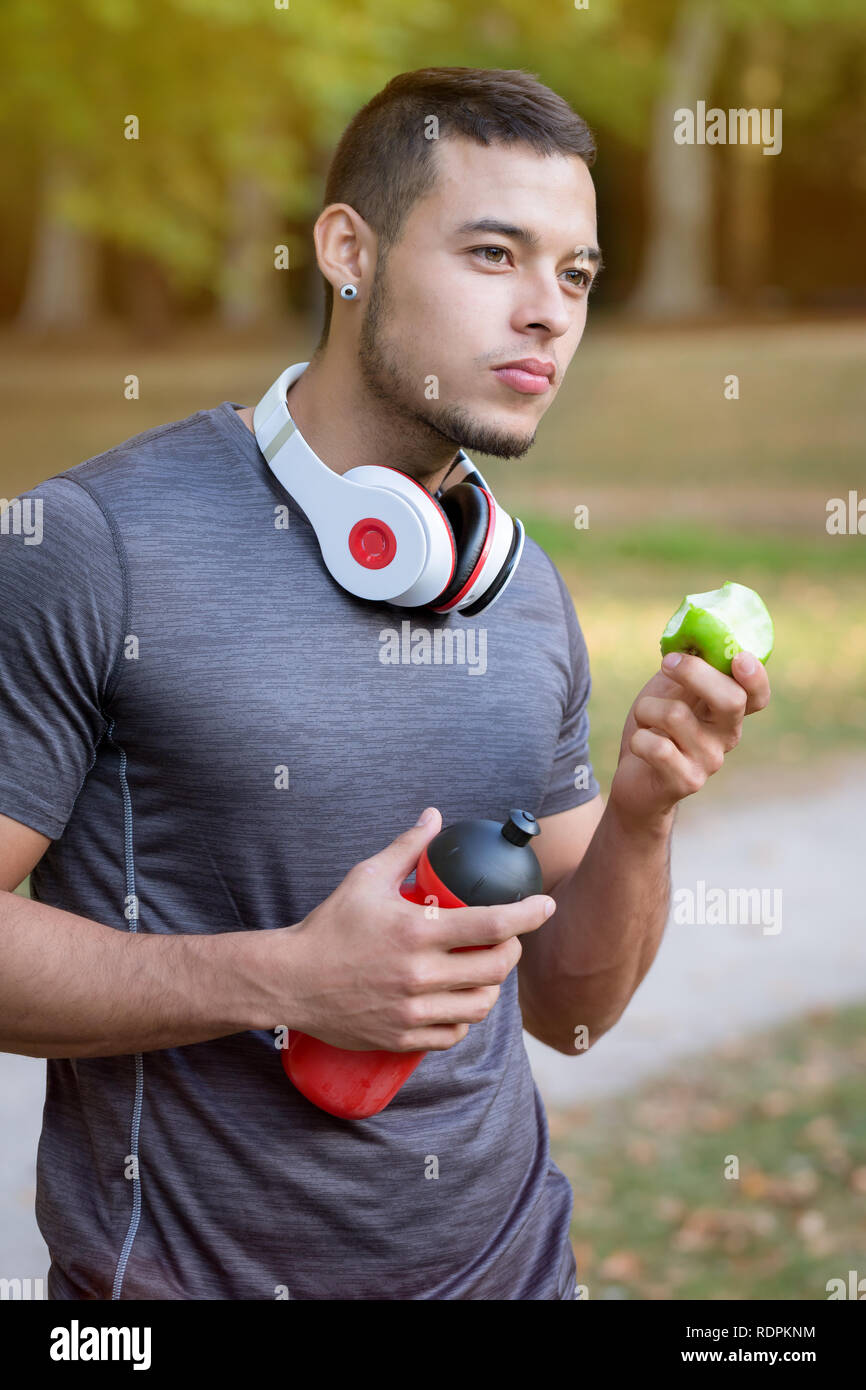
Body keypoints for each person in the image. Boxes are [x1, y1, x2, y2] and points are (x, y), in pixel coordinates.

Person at [0, 67, 770, 1301]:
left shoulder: (520, 592)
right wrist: (288, 980)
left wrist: (640, 815)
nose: (547, 312)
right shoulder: (89, 544)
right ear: (347, 249)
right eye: (493, 254)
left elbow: (567, 1015)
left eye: (574, 274)